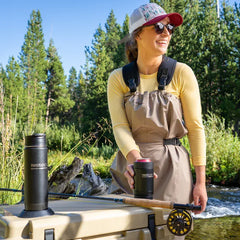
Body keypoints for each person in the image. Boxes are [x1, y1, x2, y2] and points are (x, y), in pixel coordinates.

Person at [107, 2, 207, 221]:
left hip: (174, 170)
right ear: (138, 35)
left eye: (169, 27)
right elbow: (120, 127)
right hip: (130, 172)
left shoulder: (182, 73)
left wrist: (200, 182)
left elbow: (196, 128)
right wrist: (135, 161)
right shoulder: (118, 79)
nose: (166, 33)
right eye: (157, 27)